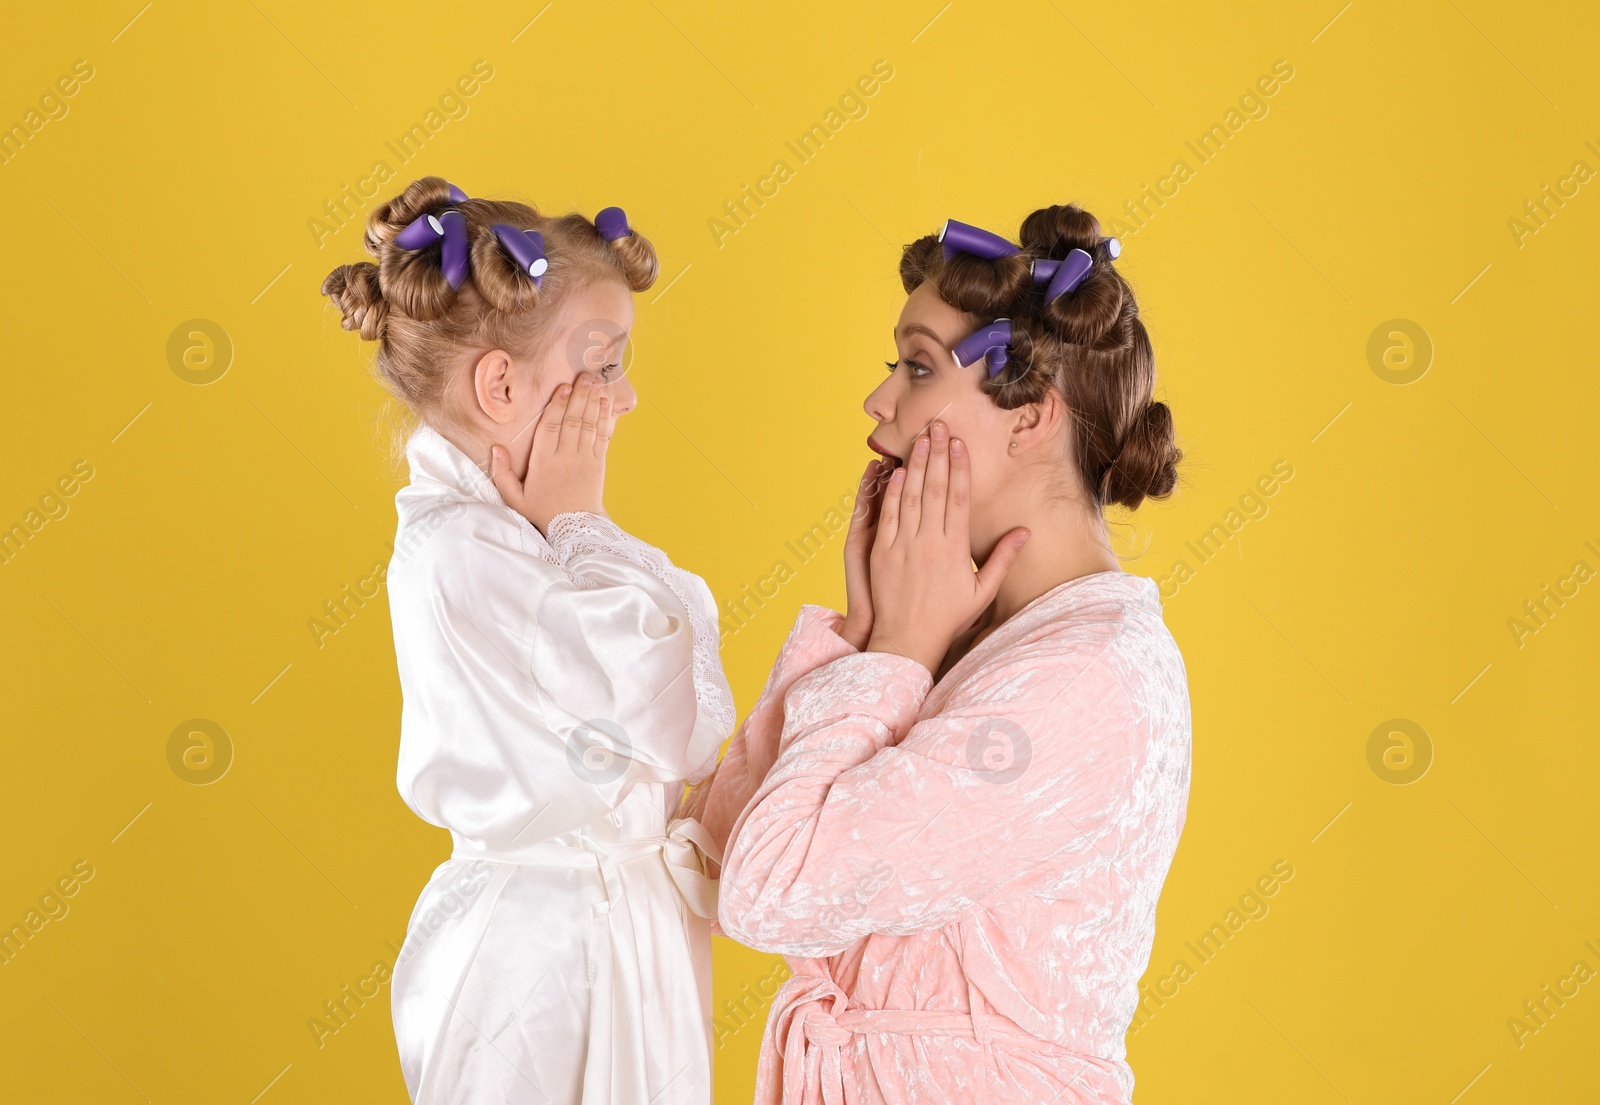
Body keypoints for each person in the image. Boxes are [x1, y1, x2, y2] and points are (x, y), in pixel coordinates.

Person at [679, 203, 1192, 1103]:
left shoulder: (1085, 679)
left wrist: (899, 652)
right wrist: (872, 632)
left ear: (1030, 416)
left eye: (917, 367)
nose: (878, 401)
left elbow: (774, 892)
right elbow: (716, 859)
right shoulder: (965, 633)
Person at [321, 175, 733, 1105]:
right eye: (606, 365)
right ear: (501, 384)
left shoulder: (529, 532)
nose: (623, 401)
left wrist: (574, 530)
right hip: (544, 962)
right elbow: (678, 707)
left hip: (615, 935)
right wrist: (581, 525)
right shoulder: (462, 551)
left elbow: (682, 671)